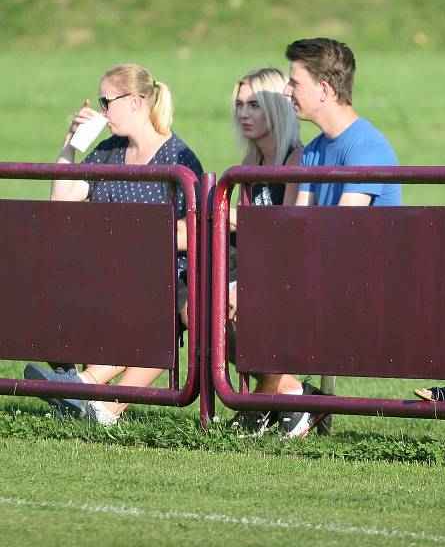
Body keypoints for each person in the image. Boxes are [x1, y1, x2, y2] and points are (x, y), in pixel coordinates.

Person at [23, 63, 203, 425]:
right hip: (108, 274)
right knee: (50, 287)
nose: (102, 111)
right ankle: (89, 398)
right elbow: (63, 198)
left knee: (151, 308)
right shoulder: (107, 152)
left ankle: (83, 390)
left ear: (135, 102)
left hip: (159, 278)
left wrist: (136, 247)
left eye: (107, 102)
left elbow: (191, 231)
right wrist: (70, 143)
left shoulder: (179, 159)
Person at [226, 67, 320, 439]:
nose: (244, 114)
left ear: (277, 108)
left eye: (254, 105)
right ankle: (297, 395)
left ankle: (258, 407)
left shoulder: (297, 161)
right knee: (204, 310)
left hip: (291, 277)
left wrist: (242, 286)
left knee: (250, 312)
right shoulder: (249, 167)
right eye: (238, 105)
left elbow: (289, 240)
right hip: (256, 273)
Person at [283, 37, 401, 207]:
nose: (286, 91)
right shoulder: (312, 151)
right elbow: (303, 223)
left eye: (294, 83)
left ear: (324, 89)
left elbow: (345, 226)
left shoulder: (367, 148)